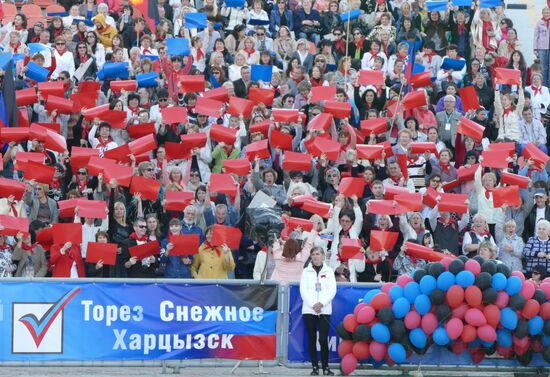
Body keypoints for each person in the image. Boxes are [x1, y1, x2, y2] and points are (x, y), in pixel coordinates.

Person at [299, 246, 336, 376]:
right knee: (312, 338)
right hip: (309, 309)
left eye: (318, 254)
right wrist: (313, 304)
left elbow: (332, 290)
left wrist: (322, 303)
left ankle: (325, 367)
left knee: (323, 339)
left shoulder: (329, 271)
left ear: (323, 256)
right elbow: (303, 290)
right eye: (313, 254)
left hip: (324, 309)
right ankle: (315, 367)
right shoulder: (306, 272)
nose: (315, 256)